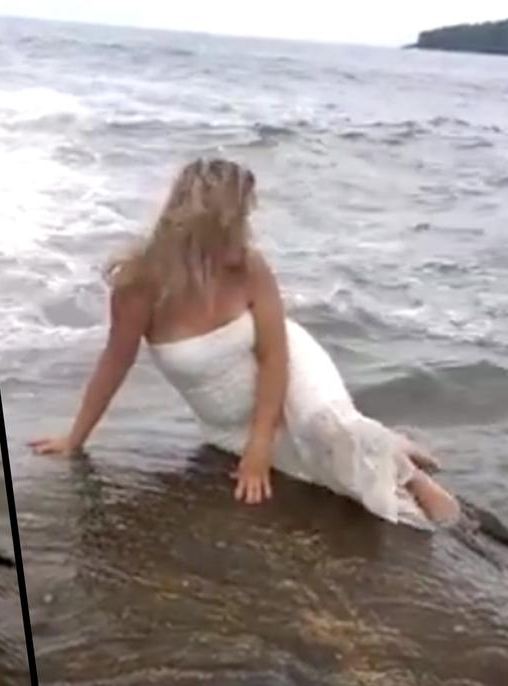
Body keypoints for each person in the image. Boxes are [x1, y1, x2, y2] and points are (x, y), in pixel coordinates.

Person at [29, 157, 459, 528]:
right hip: (225, 420)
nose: (248, 231)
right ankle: (391, 441)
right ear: (209, 227)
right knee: (320, 473)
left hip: (288, 367)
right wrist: (76, 437)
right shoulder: (142, 285)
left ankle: (412, 476)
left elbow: (274, 356)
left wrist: (259, 447)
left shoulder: (250, 267)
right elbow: (114, 363)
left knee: (323, 429)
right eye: (240, 220)